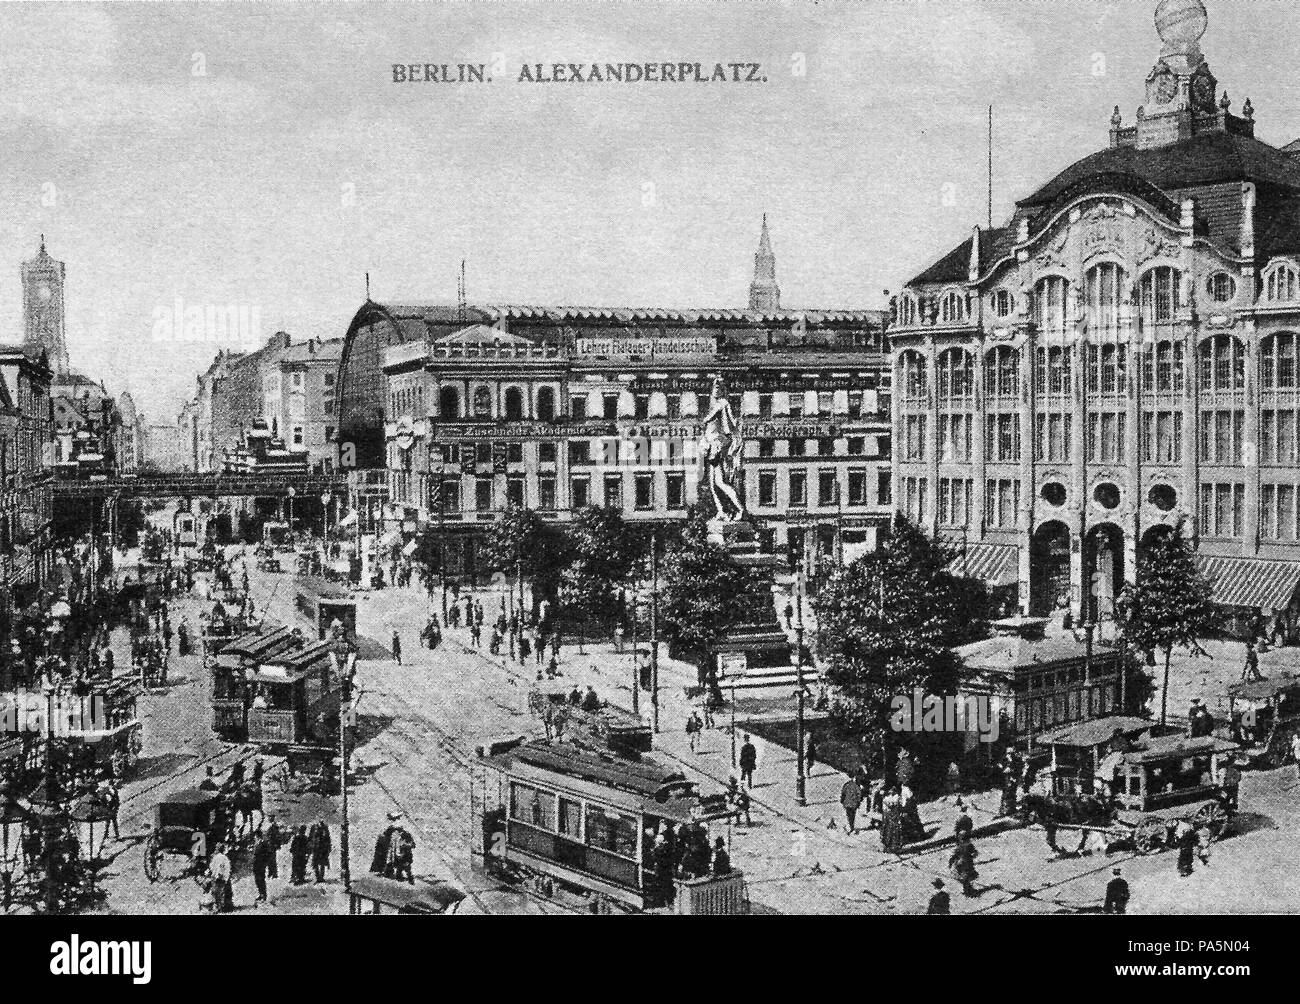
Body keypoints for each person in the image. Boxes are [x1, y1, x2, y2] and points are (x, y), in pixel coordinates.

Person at [209, 843, 233, 912]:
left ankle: (218, 906)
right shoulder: (223, 857)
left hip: (215, 876)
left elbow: (212, 866)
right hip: (221, 876)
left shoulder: (215, 857)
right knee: (221, 892)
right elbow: (223, 867)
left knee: (216, 892)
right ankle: (221, 906)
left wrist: (214, 874)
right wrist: (222, 875)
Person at [252, 826, 273, 903]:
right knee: (257, 880)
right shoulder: (257, 844)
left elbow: (269, 854)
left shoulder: (264, 843)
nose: (254, 837)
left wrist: (265, 863)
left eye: (255, 836)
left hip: (261, 865)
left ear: (257, 836)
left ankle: (263, 895)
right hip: (256, 865)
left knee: (261, 880)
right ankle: (260, 893)